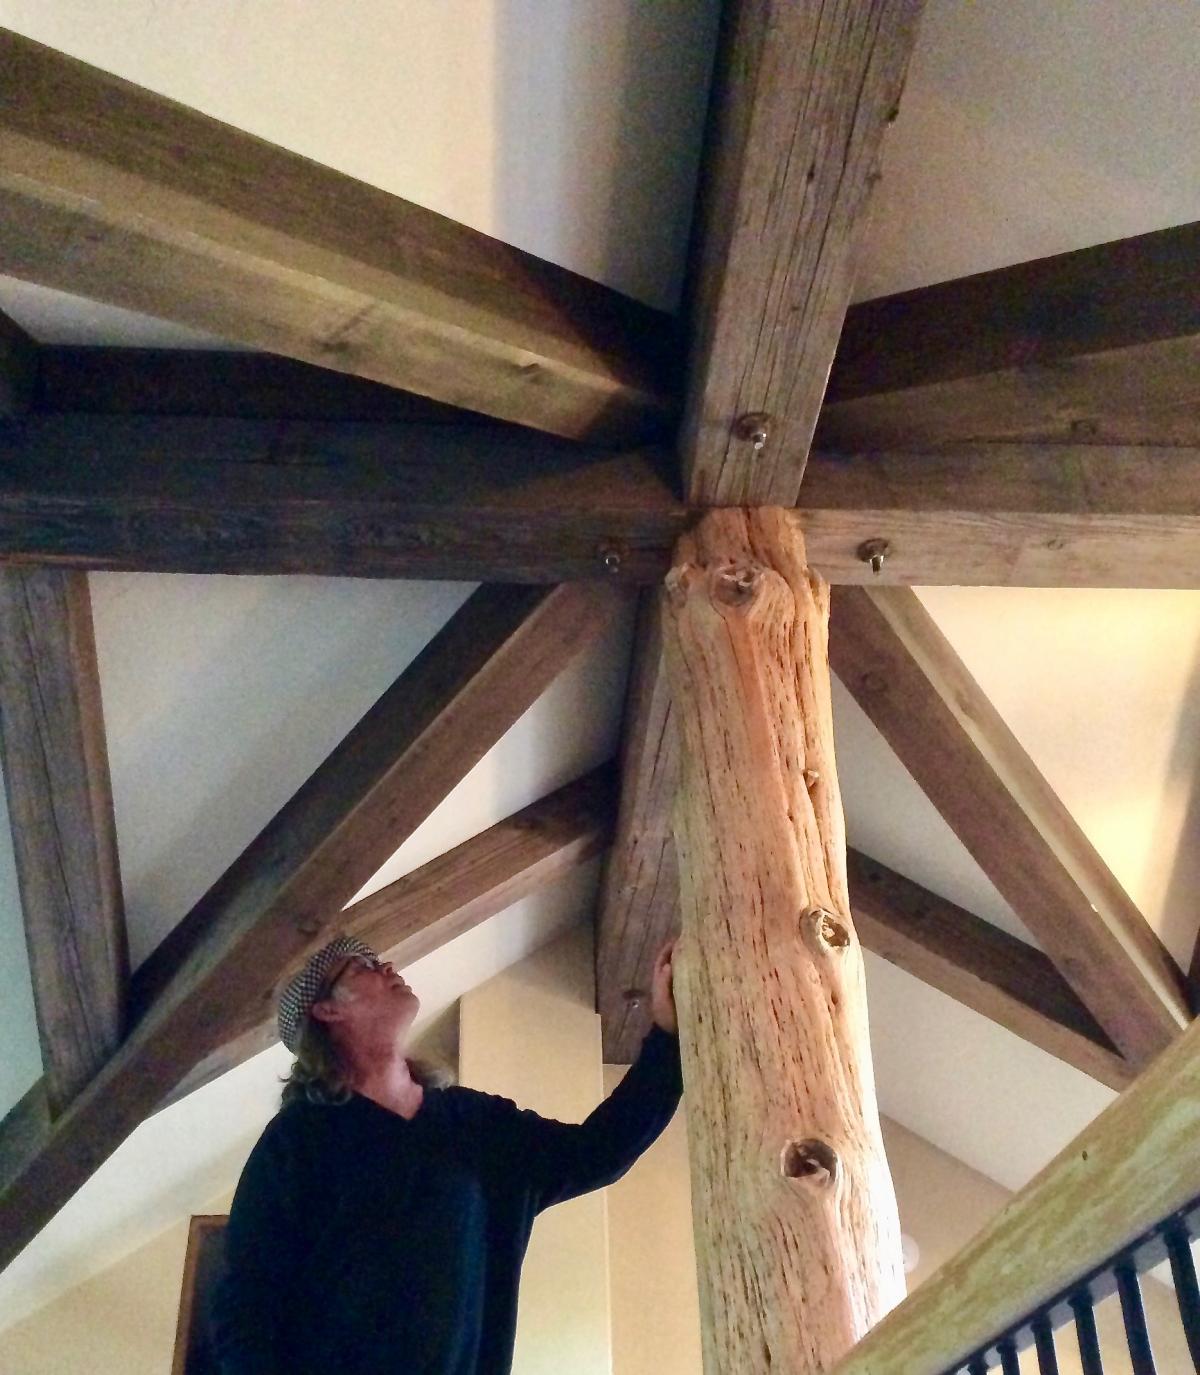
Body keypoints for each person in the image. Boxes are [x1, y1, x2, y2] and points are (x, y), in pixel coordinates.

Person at [210, 932, 682, 1375]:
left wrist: (667, 1037)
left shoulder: (475, 1124)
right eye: (361, 967)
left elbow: (597, 1151)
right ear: (326, 1011)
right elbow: (245, 1308)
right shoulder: (297, 1140)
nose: (387, 966)